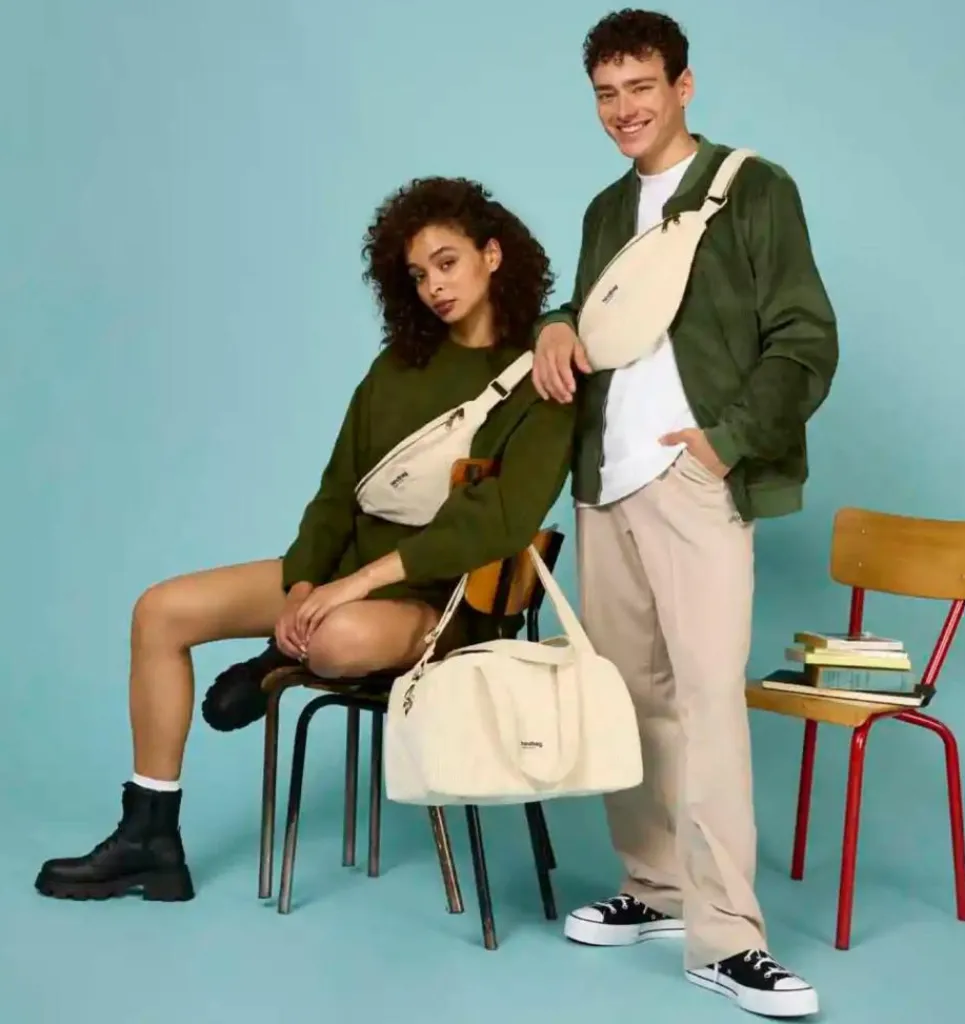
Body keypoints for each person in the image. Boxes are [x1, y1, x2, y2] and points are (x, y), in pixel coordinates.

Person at [35, 176, 576, 904]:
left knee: (334, 639)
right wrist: (300, 588)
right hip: (340, 579)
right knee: (159, 611)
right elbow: (336, 494)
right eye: (418, 274)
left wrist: (346, 590)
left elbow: (499, 522)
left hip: (444, 602)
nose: (434, 287)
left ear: (492, 255)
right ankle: (150, 835)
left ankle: (278, 655)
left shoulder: (543, 374)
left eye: (447, 263)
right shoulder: (396, 368)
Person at [530, 10, 838, 1020]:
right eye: (605, 94)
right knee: (631, 699)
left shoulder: (753, 187)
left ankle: (728, 938)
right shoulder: (604, 209)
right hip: (604, 480)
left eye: (641, 88)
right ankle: (656, 886)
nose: (623, 109)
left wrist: (727, 439)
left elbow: (805, 336)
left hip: (694, 480)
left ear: (683, 86)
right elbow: (597, 316)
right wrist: (552, 324)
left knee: (707, 703)